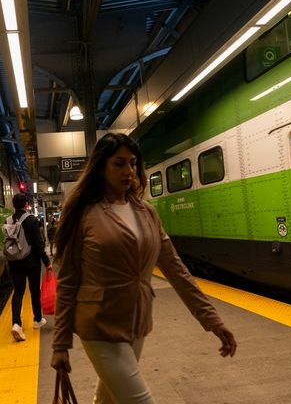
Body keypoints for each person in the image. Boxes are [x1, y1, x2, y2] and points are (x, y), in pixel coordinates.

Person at [50, 133, 237, 403]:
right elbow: (67, 282)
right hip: (99, 326)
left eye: (133, 163)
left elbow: (176, 269)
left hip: (137, 322)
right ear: (101, 168)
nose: (129, 171)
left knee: (109, 400)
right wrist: (60, 345)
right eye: (119, 164)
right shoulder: (84, 215)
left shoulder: (147, 213)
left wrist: (212, 321)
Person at [8, 193, 53, 342]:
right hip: (31, 262)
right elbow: (39, 245)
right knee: (34, 291)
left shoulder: (8, 220)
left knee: (18, 292)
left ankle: (16, 323)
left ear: (14, 205)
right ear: (26, 204)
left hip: (14, 262)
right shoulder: (32, 220)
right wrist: (47, 262)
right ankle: (37, 320)